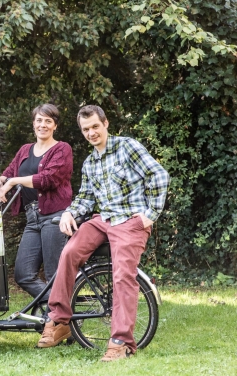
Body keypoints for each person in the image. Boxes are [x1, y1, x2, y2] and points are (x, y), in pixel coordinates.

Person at [36, 105, 169, 362]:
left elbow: (159, 176)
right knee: (70, 252)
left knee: (122, 275)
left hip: (130, 221)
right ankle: (60, 321)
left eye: (95, 126)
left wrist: (149, 214)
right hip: (103, 220)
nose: (91, 133)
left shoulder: (127, 147)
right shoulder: (90, 162)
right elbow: (85, 198)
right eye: (86, 129)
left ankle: (121, 341)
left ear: (105, 123)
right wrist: (70, 213)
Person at [0, 103, 73, 304]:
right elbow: (11, 171)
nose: (43, 125)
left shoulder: (62, 149)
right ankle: (63, 312)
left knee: (54, 274)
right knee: (23, 274)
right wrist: (0, 180)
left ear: (55, 126)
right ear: (33, 123)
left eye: (48, 121)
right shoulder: (25, 149)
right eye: (39, 120)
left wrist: (13, 182)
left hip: (55, 217)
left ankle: (58, 320)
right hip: (32, 218)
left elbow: (48, 179)